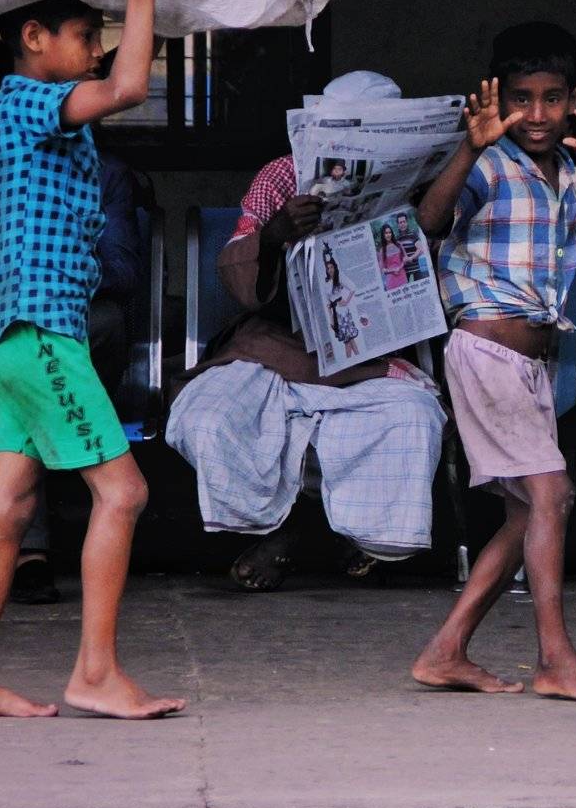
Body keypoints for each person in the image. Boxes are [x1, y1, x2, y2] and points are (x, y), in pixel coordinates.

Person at [0, 0, 184, 721]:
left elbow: (117, 79)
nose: (96, 50)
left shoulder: (55, 122)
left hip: (24, 340)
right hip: (40, 335)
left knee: (8, 509)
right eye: (83, 35)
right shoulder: (18, 103)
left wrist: (145, 3)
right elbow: (129, 88)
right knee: (124, 493)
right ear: (33, 38)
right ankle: (95, 674)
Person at [410, 22, 576, 701]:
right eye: (521, 100)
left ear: (574, 101)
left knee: (528, 514)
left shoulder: (575, 177)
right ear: (498, 103)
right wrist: (469, 147)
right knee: (552, 494)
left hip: (530, 368)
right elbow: (429, 221)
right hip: (487, 351)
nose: (538, 115)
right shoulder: (488, 166)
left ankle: (445, 651)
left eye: (553, 99)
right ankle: (556, 659)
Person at [164, 71, 444, 593]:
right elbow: (240, 276)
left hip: (367, 354)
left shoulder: (424, 185)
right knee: (208, 417)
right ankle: (286, 527)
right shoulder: (279, 176)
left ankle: (345, 533)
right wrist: (275, 235)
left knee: (412, 416)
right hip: (274, 347)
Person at [0, 65, 144, 605]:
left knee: (8, 501)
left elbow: (124, 271)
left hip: (67, 340)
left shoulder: (101, 170)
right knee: (121, 491)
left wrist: (53, 265)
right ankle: (87, 653)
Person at [324, 249, 362, 357]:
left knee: (347, 340)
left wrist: (347, 301)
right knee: (349, 339)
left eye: (331, 267)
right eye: (328, 268)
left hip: (343, 312)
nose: (330, 270)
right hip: (335, 313)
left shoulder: (339, 278)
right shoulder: (326, 283)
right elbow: (328, 303)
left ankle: (351, 361)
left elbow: (353, 287)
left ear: (335, 268)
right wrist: (331, 317)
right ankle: (358, 357)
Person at [395, 210, 427, 281]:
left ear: (407, 222)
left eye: (404, 222)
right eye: (400, 222)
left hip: (416, 269)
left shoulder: (413, 234)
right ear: (398, 224)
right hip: (404, 271)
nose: (402, 224)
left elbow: (420, 249)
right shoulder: (397, 238)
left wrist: (411, 258)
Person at [378, 223, 409, 291]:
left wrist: (399, 267)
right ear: (383, 235)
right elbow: (382, 269)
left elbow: (405, 258)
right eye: (386, 233)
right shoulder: (382, 250)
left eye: (390, 232)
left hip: (402, 276)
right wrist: (393, 270)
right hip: (391, 280)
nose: (388, 235)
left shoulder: (398, 244)